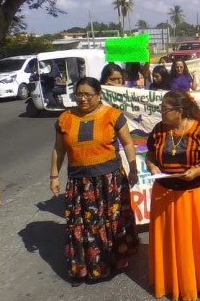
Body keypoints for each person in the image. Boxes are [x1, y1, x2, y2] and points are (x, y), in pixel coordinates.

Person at [145, 90, 200, 301]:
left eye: (165, 110)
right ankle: (173, 281)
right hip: (165, 194)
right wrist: (152, 166)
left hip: (194, 195)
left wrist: (196, 172)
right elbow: (150, 154)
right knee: (171, 240)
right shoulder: (159, 130)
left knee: (197, 239)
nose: (161, 113)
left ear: (180, 111)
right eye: (161, 109)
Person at [50, 77, 140, 284]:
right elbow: (59, 149)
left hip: (110, 180)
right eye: (79, 94)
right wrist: (54, 176)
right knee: (85, 223)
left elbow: (127, 143)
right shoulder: (64, 119)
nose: (82, 99)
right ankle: (89, 264)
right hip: (79, 182)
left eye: (87, 94)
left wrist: (133, 168)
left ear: (99, 95)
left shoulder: (113, 115)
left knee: (114, 221)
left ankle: (118, 257)